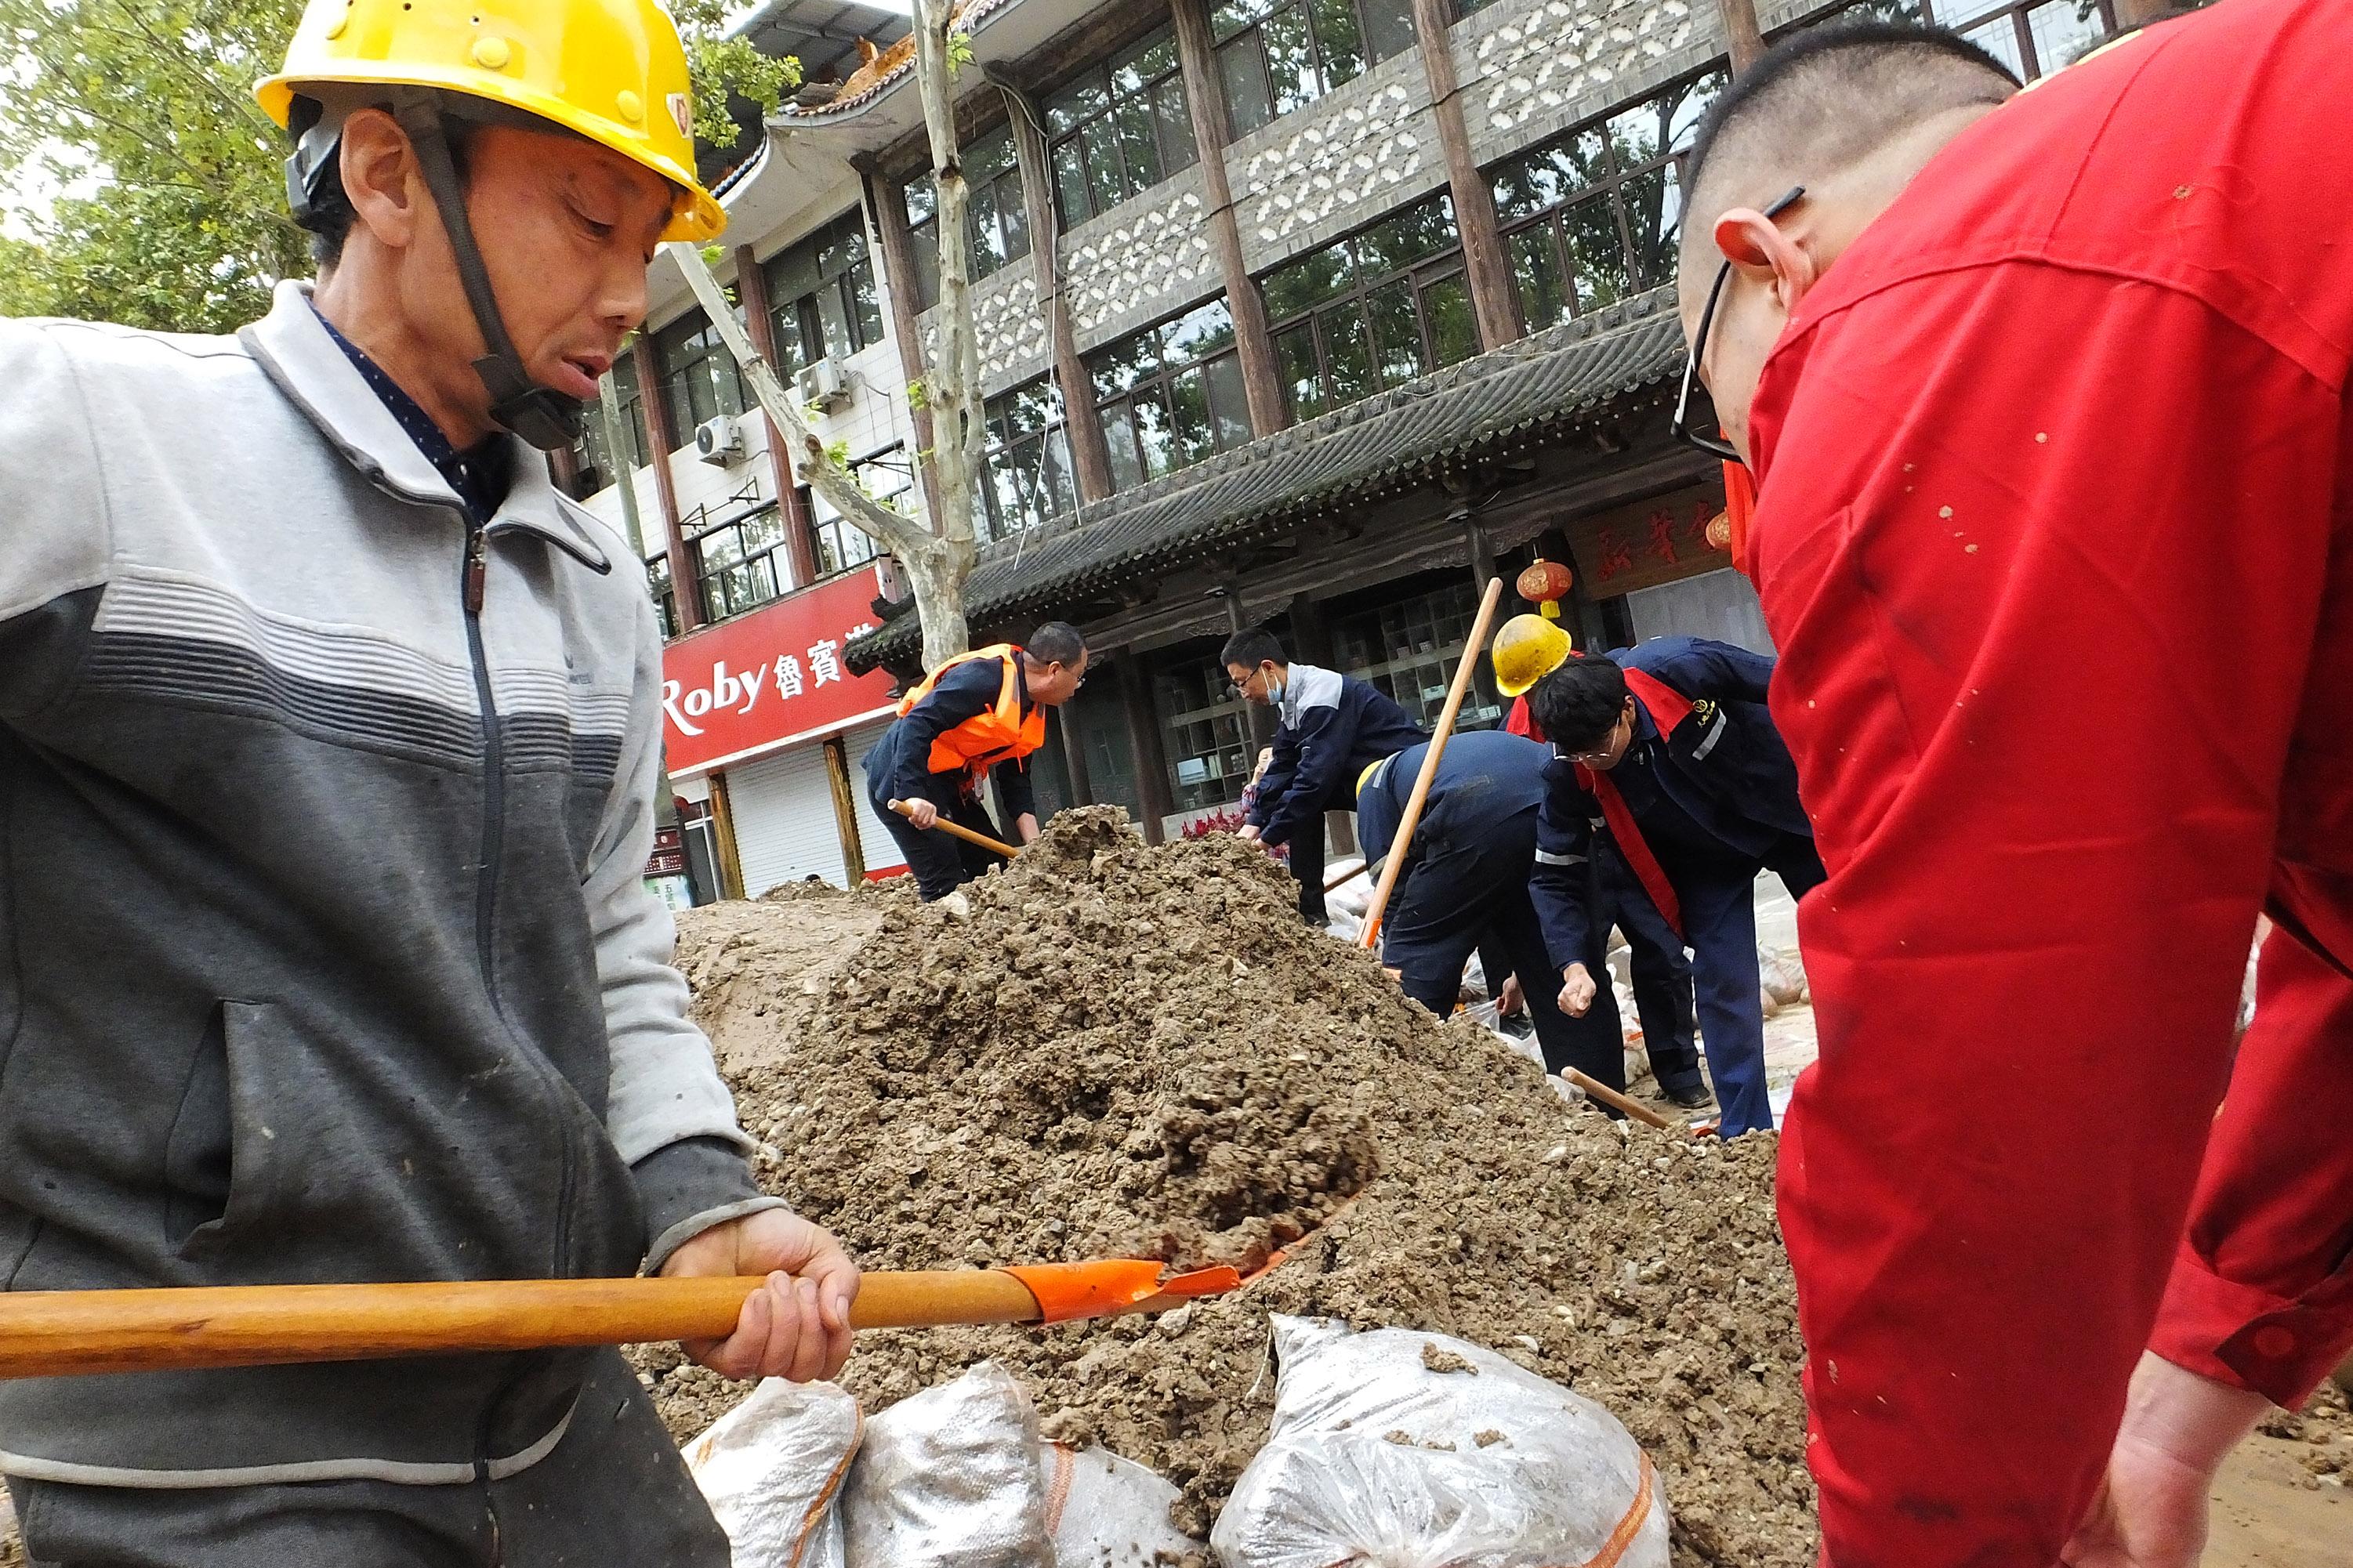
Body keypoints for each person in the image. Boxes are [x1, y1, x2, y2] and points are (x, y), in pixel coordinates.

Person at [0, 1, 860, 1561]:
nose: (624, 292)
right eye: (589, 223)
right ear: (388, 177)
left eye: (649, 236)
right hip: (210, 1444)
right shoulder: (89, 447)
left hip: (541, 1395)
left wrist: (694, 1198)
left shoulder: (586, 584)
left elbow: (609, 933)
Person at [1671, 6, 2352, 1563]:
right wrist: (2176, 1407)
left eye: (1732, 422)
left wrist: (1953, 1533)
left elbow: (1992, 1036)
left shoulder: (1944, 310)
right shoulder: (2226, 164)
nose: (1753, 490)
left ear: (1769, 258)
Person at [1525, 640, 1822, 1139]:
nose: (1592, 763)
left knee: (1849, 934)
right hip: (1704, 858)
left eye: (1599, 748)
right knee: (1722, 984)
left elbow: (1794, 685)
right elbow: (1556, 872)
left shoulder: (1677, 668)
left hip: (1784, 810)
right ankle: (1745, 1131)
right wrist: (1573, 964)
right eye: (1577, 754)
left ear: (1626, 710)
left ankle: (1896, 1060)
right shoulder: (1569, 766)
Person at [1495, 614, 1711, 1110]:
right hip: (1573, 842)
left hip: (1631, 840)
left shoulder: (1601, 686)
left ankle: (1678, 1070)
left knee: (1662, 954)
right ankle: (1602, 1083)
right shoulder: (1522, 723)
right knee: (1576, 963)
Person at [1354, 730, 1630, 1092]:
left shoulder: (1373, 791)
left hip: (1473, 812)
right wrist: (1521, 970)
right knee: (1561, 961)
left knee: (1419, 952)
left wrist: (1397, 955)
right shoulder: (1437, 756)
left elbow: (1392, 887)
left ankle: (1406, 1089)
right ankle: (1602, 1101)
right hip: (1547, 803)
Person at [863, 624, 1089, 900]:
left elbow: (1015, 779)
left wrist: (1035, 845)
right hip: (900, 775)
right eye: (1078, 676)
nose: (1077, 687)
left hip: (949, 783)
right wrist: (912, 794)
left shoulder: (1030, 708)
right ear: (1054, 670)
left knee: (995, 867)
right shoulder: (985, 677)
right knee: (946, 884)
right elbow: (917, 722)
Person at [1223, 628, 1424, 924]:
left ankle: (1397, 917)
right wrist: (1252, 824)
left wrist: (1266, 840)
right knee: (1300, 799)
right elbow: (1283, 764)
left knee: (1308, 798)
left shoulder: (1321, 692)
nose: (1244, 694)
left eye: (1242, 683)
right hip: (1363, 776)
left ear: (1266, 668)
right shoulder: (1292, 700)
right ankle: (1312, 912)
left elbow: (1315, 778)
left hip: (1399, 774)